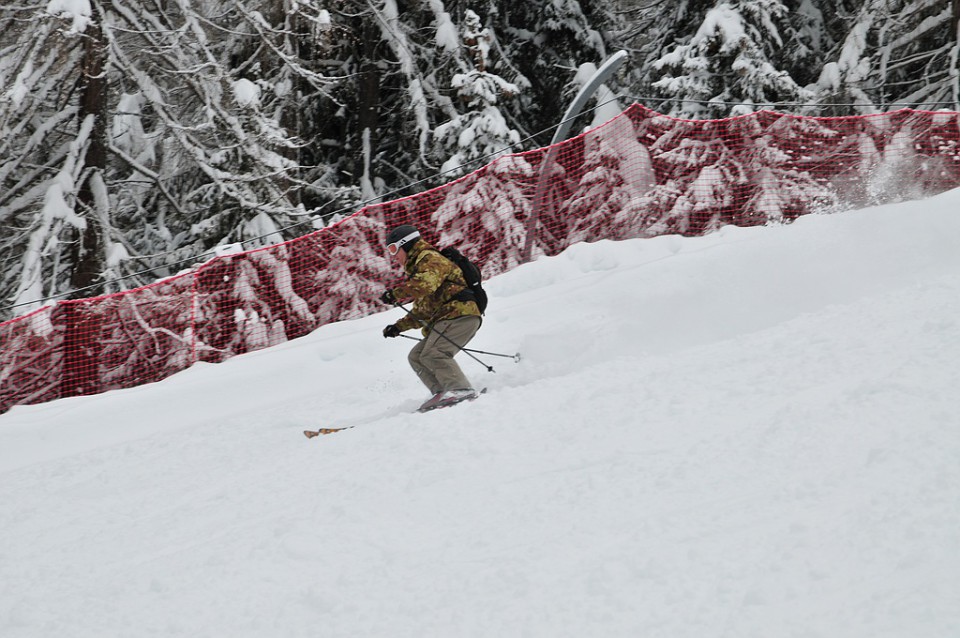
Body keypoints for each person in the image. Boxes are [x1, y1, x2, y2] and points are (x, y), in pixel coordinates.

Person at [380, 224, 482, 411]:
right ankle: (442, 391)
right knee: (417, 356)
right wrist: (398, 327)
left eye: (394, 249)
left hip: (460, 314)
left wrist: (396, 293)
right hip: (449, 318)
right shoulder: (418, 269)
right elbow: (422, 310)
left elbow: (425, 286)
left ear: (407, 244)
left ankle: (460, 390)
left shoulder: (430, 259)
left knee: (434, 353)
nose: (393, 256)